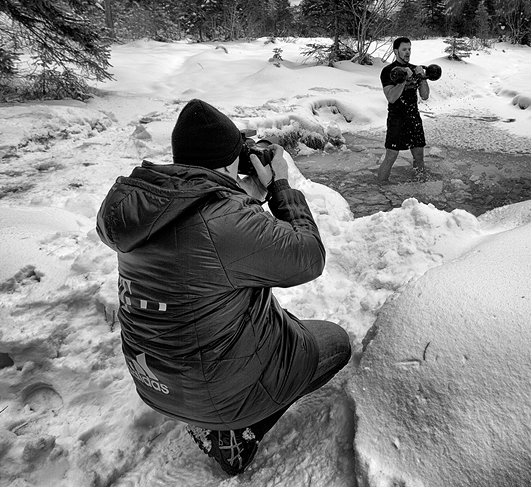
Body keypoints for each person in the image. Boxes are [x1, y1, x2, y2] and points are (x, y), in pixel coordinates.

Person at [96, 98, 351, 476]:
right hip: (211, 392)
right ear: (232, 160)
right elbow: (309, 256)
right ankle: (236, 434)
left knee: (275, 321)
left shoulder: (145, 207)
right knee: (335, 342)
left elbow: (202, 235)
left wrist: (239, 195)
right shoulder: (224, 221)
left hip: (153, 379)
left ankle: (213, 407)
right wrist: (280, 185)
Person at [377, 36, 430, 183]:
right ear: (396, 51)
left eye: (409, 49)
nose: (407, 52)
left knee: (419, 155)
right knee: (391, 156)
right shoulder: (388, 71)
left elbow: (425, 96)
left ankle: (420, 186)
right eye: (404, 50)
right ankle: (380, 187)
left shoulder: (414, 69)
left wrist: (422, 77)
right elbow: (391, 97)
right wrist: (404, 80)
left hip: (413, 117)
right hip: (396, 118)